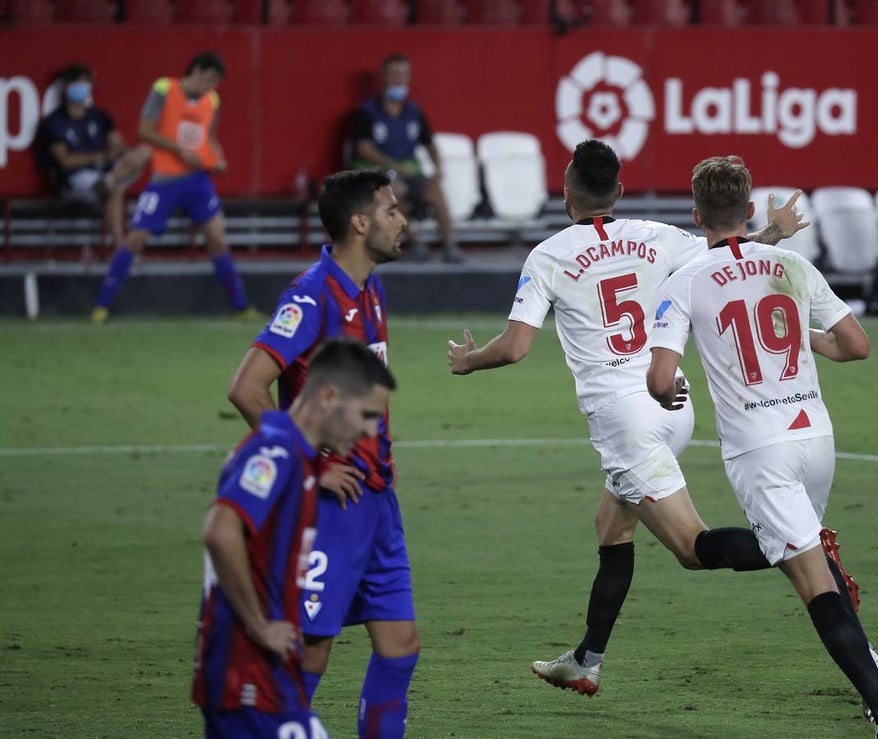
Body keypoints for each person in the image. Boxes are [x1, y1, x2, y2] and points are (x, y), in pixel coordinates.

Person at [448, 139, 823, 697]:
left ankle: (802, 545)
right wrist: (774, 234)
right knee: (612, 524)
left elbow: (514, 347)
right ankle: (586, 659)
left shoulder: (549, 254)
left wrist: (467, 362)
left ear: (566, 193)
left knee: (692, 550)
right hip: (672, 401)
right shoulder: (660, 237)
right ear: (619, 192)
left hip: (626, 422)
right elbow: (728, 258)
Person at [646, 155, 878, 739]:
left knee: (809, 578)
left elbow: (661, 379)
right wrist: (800, 335)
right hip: (815, 436)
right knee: (806, 560)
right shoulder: (792, 263)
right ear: (748, 212)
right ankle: (865, 661)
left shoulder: (684, 280)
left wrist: (673, 395)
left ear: (696, 215)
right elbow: (856, 346)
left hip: (758, 448)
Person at [227, 168, 417, 739]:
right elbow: (246, 387)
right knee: (311, 649)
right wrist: (312, 463)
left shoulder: (371, 288)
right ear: (360, 223)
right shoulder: (310, 296)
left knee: (400, 644)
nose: (402, 220)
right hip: (328, 507)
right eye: (390, 211)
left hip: (377, 498)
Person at [195, 336, 395, 739]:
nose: (371, 430)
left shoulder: (301, 458)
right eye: (367, 414)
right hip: (245, 674)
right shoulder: (275, 451)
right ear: (328, 396)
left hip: (269, 675)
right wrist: (259, 625)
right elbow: (220, 530)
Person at [91, 51, 258, 324]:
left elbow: (210, 137)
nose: (212, 86)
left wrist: (218, 156)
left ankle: (241, 307)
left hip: (198, 179)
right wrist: (179, 151)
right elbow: (145, 130)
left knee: (217, 238)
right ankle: (102, 305)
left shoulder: (212, 100)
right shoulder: (164, 89)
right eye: (211, 78)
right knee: (137, 238)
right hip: (165, 178)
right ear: (198, 70)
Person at [349, 53, 462, 264]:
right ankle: (413, 243)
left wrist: (438, 170)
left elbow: (429, 144)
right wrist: (394, 165)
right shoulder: (368, 112)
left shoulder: (414, 112)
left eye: (404, 74)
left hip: (411, 171)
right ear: (383, 77)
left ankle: (449, 245)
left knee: (435, 191)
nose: (399, 79)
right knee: (394, 189)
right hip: (381, 171)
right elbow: (362, 148)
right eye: (394, 74)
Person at [35, 62, 151, 245]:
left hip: (107, 172)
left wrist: (125, 152)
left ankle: (110, 179)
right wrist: (102, 156)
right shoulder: (54, 123)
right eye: (77, 83)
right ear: (66, 87)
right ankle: (120, 246)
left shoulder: (99, 117)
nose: (83, 87)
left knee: (144, 152)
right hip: (76, 179)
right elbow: (65, 161)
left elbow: (119, 144)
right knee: (115, 189)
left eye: (86, 83)